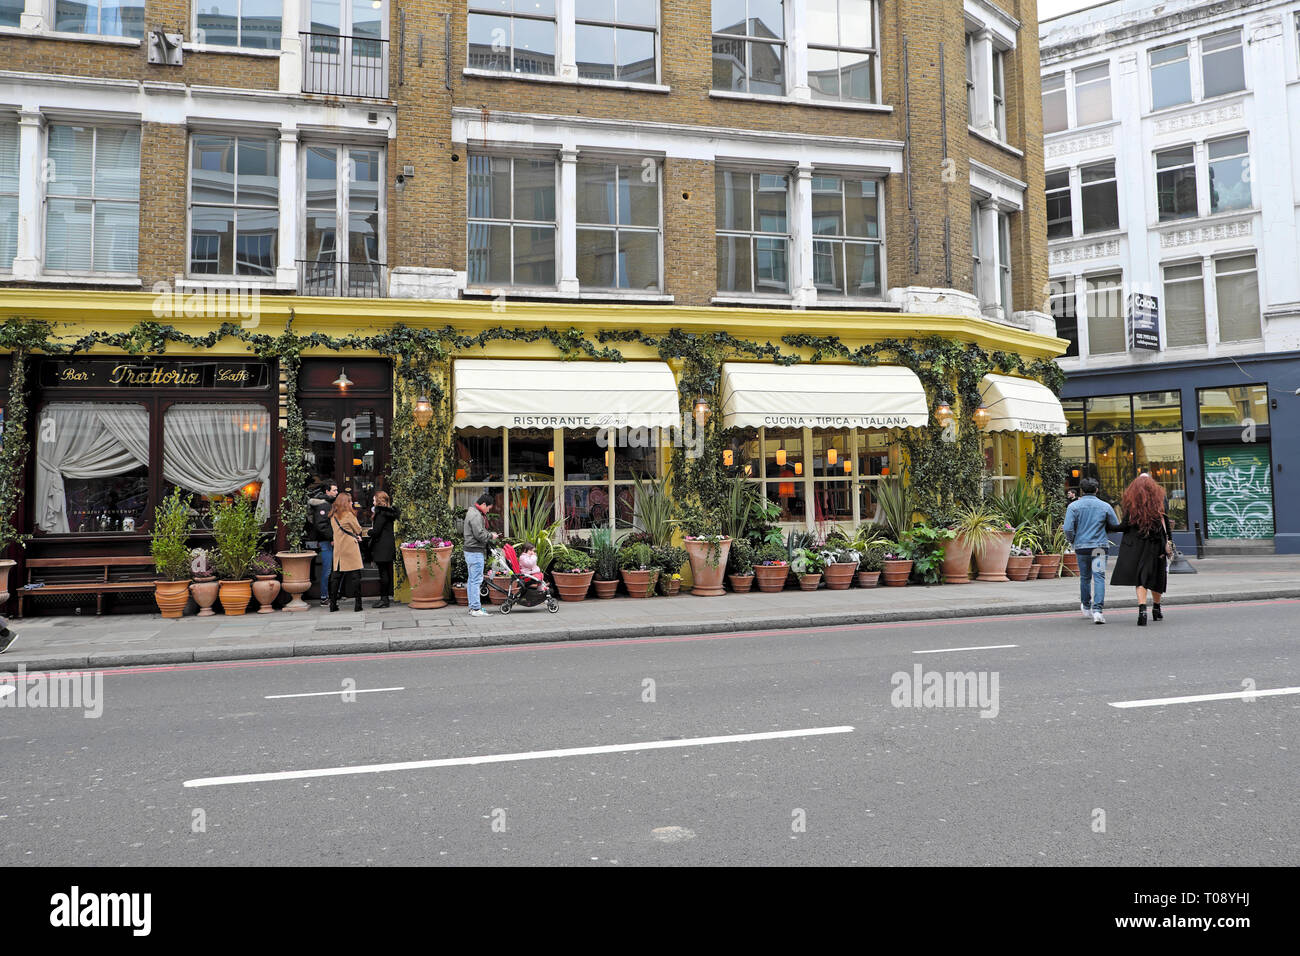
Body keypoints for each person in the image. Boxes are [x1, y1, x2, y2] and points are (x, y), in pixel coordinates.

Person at [1111, 473, 1172, 627]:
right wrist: (1169, 541)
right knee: (1157, 576)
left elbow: (1124, 526)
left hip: (1136, 546)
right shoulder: (1160, 499)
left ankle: (1142, 610)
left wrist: (1107, 526)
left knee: (1141, 577)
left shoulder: (1132, 502)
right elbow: (1166, 523)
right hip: (1156, 544)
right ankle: (1157, 609)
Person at [1063, 476, 1121, 625]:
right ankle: (1098, 611)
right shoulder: (1105, 506)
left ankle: (1086, 606)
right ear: (1096, 490)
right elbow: (1115, 525)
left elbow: (1068, 528)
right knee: (1099, 577)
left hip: (1082, 547)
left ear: (1082, 490)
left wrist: (1072, 540)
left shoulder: (1073, 507)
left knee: (1085, 577)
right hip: (1099, 547)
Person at [329, 491, 365, 613]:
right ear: (347, 502)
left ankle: (332, 604)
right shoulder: (348, 515)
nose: (351, 503)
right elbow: (358, 529)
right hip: (350, 548)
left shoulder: (333, 515)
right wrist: (356, 535)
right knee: (355, 577)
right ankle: (358, 605)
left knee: (336, 577)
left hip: (339, 548)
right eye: (350, 501)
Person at [463, 492, 495, 618]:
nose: (488, 511)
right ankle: (476, 608)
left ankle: (473, 607)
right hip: (475, 551)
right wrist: (491, 535)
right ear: (483, 504)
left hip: (470, 551)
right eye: (488, 508)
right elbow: (480, 535)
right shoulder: (476, 515)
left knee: (472, 580)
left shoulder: (473, 512)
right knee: (476, 580)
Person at [367, 491, 400, 609]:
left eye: (374, 499)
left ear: (379, 500)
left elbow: (376, 531)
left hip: (381, 546)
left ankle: (384, 599)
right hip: (388, 546)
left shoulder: (381, 514)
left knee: (383, 573)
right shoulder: (388, 513)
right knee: (386, 572)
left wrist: (369, 531)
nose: (373, 502)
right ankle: (384, 598)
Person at [309, 482, 339, 607]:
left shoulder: (329, 504)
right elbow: (321, 526)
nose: (336, 492)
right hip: (326, 541)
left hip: (329, 540)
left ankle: (333, 594)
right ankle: (323, 597)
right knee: (327, 569)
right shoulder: (323, 505)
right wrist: (332, 537)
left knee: (333, 568)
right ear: (327, 492)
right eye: (334, 490)